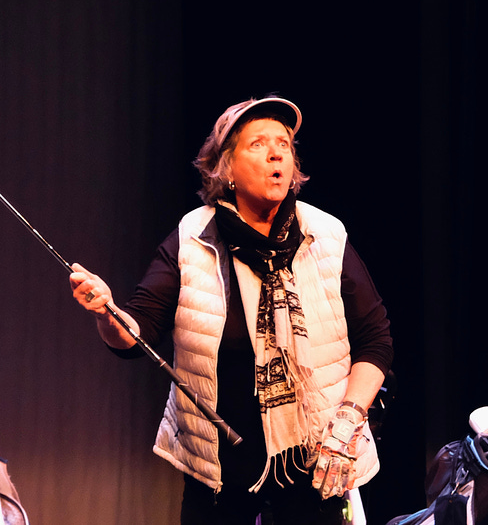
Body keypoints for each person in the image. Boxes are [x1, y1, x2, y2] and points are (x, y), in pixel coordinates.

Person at [68, 97, 393, 525]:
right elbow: (136, 336)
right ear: (226, 169)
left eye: (285, 143)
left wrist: (348, 421)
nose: (277, 152)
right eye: (258, 144)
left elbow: (376, 340)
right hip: (220, 470)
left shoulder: (326, 234)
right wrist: (105, 312)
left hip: (315, 462)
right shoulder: (192, 238)